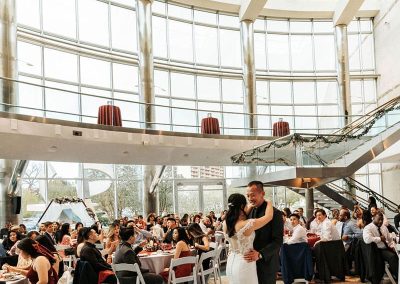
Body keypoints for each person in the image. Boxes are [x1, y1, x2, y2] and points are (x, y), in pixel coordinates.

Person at [224, 192, 274, 284]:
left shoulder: (226, 223)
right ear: (242, 206)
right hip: (245, 263)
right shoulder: (247, 224)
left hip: (231, 263)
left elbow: (239, 215)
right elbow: (269, 216)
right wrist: (268, 201)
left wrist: (249, 206)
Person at [242, 181, 282, 284]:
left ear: (262, 194)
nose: (250, 198)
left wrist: (260, 254)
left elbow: (278, 241)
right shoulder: (248, 211)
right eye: (248, 196)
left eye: (253, 195)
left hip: (266, 262)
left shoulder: (275, 213)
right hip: (248, 262)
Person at [363, 212, 398, 278]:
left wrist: (394, 242)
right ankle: (399, 276)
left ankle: (395, 273)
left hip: (386, 248)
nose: (381, 221)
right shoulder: (368, 228)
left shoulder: (384, 227)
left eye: (382, 219)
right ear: (373, 218)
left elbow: (389, 239)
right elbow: (367, 239)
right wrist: (379, 239)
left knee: (398, 255)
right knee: (392, 257)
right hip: (377, 250)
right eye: (379, 219)